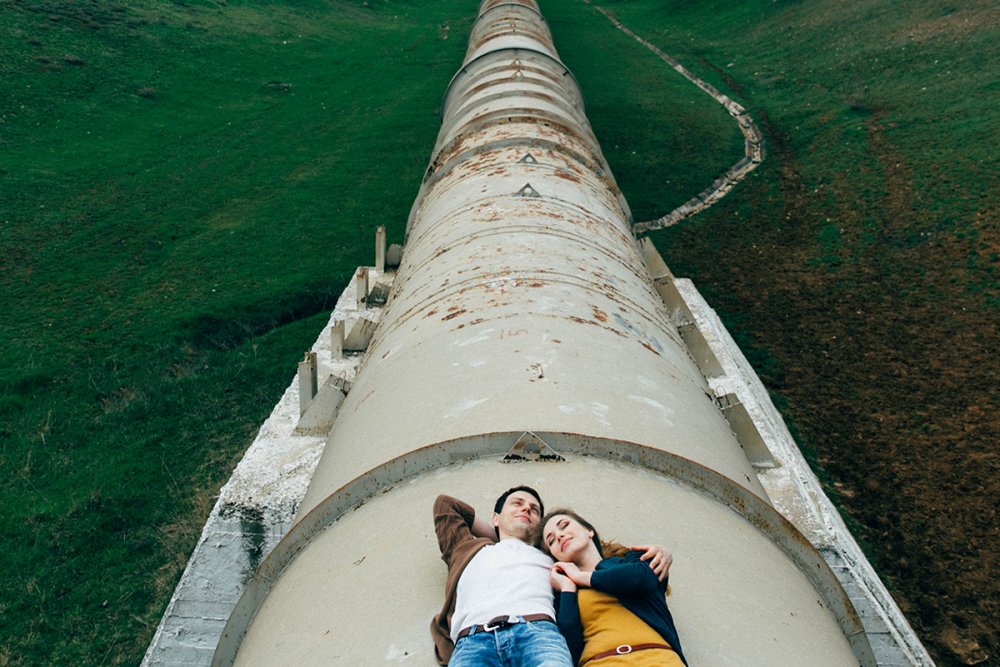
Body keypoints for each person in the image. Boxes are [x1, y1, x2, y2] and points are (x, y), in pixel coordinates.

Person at [432, 488, 671, 666]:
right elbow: (445, 505)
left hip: (538, 634)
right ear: (495, 517)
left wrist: (662, 553)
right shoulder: (467, 550)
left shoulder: (554, 560)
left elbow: (616, 572)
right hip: (473, 639)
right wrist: (503, 534)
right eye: (517, 503)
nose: (527, 509)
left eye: (534, 509)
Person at [538, 509, 688, 666]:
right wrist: (567, 588)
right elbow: (569, 649)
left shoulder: (633, 559)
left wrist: (582, 577)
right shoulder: (564, 594)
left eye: (564, 525)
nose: (559, 536)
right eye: (551, 541)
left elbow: (641, 579)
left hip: (659, 658)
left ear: (589, 531)